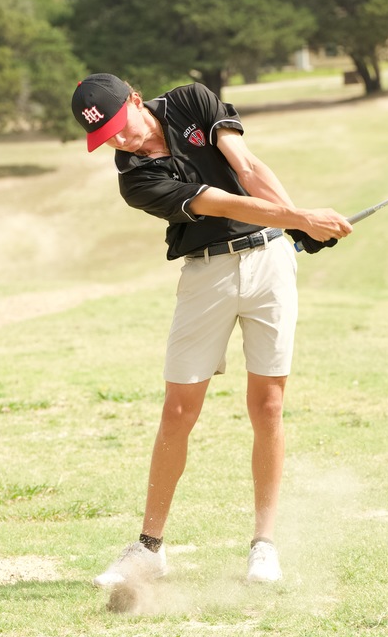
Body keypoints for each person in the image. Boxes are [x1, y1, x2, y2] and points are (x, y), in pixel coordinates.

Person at [71, 73, 352, 587]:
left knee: (267, 404)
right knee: (178, 410)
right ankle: (149, 549)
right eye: (105, 137)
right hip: (206, 274)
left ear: (136, 99)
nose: (118, 140)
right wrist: (299, 217)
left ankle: (264, 545)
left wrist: (294, 225)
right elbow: (220, 202)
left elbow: (245, 167)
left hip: (268, 262)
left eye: (119, 125)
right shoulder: (134, 179)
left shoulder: (189, 100)